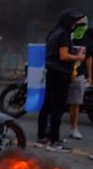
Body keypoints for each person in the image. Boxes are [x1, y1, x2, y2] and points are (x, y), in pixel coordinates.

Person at [36, 8, 87, 151]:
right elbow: (63, 56)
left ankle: (42, 138)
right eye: (74, 21)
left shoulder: (53, 33)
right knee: (58, 107)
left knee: (47, 105)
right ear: (68, 22)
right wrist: (78, 57)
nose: (76, 24)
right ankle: (55, 142)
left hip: (52, 72)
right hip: (60, 73)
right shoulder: (64, 34)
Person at [66, 21, 92, 140]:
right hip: (63, 74)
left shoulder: (87, 41)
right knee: (57, 102)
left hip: (78, 75)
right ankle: (50, 128)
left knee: (76, 103)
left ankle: (74, 128)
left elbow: (88, 59)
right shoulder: (65, 36)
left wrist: (90, 76)